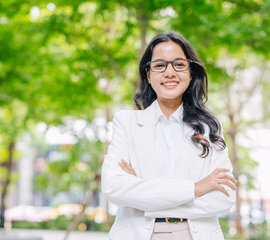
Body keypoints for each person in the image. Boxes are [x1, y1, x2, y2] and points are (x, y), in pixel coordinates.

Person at [101, 32, 237, 240]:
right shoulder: (126, 123)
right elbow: (113, 187)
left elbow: (223, 198)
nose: (170, 72)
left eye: (179, 65)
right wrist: (197, 188)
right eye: (160, 65)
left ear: (191, 72)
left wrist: (143, 197)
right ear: (148, 74)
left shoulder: (209, 127)